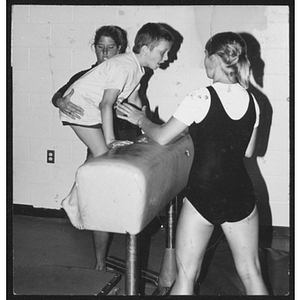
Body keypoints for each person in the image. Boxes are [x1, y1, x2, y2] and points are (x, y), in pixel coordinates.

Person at [116, 32, 269, 295]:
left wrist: (140, 120)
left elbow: (163, 136)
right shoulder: (254, 100)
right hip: (240, 192)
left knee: (186, 277)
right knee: (251, 272)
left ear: (212, 59)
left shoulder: (201, 97)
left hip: (204, 192)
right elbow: (248, 151)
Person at [59, 23, 174, 272]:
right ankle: (72, 200)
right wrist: (111, 140)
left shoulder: (137, 69)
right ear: (145, 49)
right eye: (162, 52)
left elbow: (133, 100)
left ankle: (73, 199)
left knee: (103, 161)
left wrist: (146, 127)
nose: (166, 58)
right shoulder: (123, 66)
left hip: (90, 113)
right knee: (103, 158)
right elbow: (106, 104)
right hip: (80, 111)